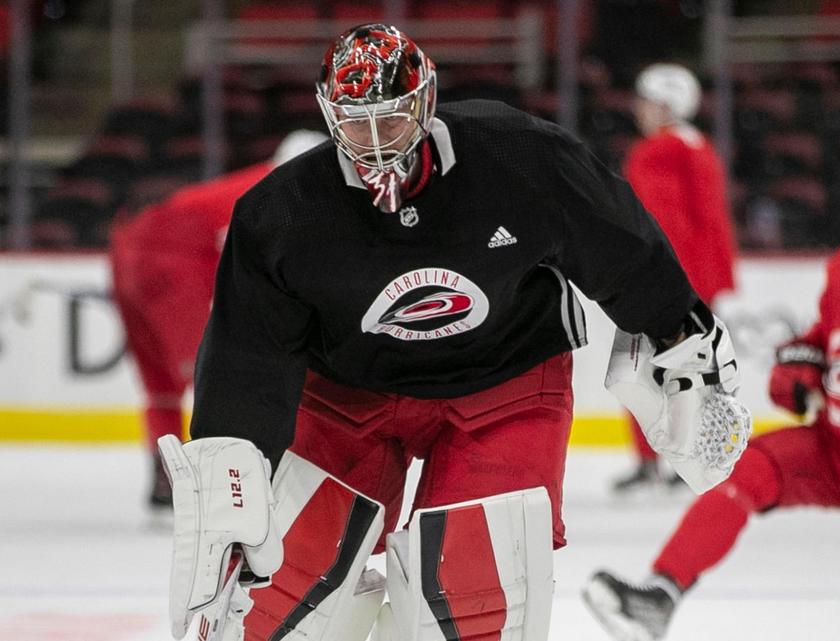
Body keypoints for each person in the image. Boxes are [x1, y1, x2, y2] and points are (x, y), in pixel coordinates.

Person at [155, 24, 746, 641]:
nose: (376, 142)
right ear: (330, 116)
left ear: (427, 101)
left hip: (503, 382)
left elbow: (624, 251)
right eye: (357, 122)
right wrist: (231, 482)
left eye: (392, 118)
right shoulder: (282, 213)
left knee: (471, 606)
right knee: (280, 607)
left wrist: (684, 343)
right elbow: (249, 360)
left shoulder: (519, 154)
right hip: (347, 393)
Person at [583, 156, 840, 641]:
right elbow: (827, 336)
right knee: (744, 471)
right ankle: (660, 595)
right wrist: (803, 360)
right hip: (838, 449)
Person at [109, 130, 327, 509]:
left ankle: (165, 480)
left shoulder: (239, 187)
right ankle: (218, 483)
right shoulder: (287, 192)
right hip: (167, 267)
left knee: (160, 379)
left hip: (126, 251)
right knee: (212, 375)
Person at [612, 63, 738, 495]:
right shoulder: (698, 146)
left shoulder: (658, 151)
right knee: (696, 370)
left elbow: (654, 223)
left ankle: (656, 462)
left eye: (646, 101)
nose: (639, 109)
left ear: (665, 105)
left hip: (669, 279)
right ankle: (702, 456)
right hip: (697, 279)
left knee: (645, 369)